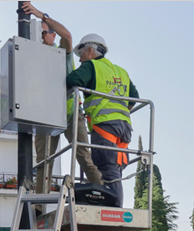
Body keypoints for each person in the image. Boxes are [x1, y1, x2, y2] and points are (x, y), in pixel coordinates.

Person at [22, 2, 102, 195]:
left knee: (83, 156)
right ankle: (40, 206)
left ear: (52, 35)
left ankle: (104, 193)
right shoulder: (34, 58)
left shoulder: (62, 53)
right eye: (39, 34)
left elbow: (67, 36)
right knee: (44, 161)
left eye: (44, 33)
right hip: (46, 116)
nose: (41, 37)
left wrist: (42, 16)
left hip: (71, 114)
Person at [66, 33, 139, 207]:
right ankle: (112, 207)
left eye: (81, 53)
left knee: (108, 171)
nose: (81, 59)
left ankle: (114, 211)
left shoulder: (91, 66)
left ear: (90, 50)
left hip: (105, 127)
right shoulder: (120, 71)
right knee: (114, 171)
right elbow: (134, 98)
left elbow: (72, 80)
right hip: (124, 130)